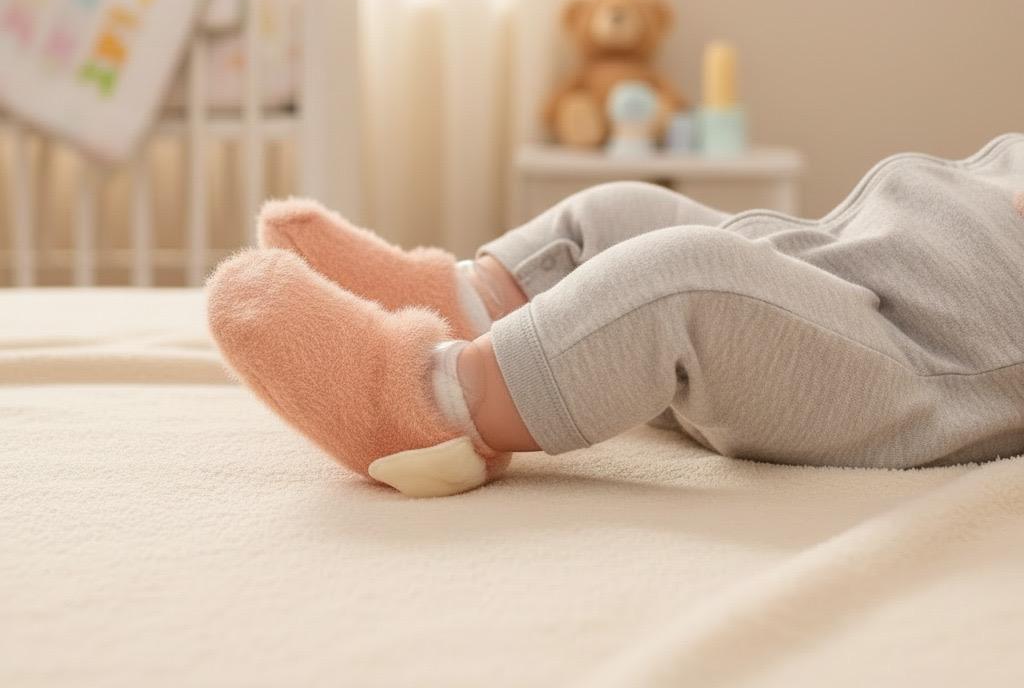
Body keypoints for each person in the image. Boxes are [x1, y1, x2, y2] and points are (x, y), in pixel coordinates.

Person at [207, 133, 1024, 497]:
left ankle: (426, 401)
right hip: (833, 266)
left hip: (896, 370)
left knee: (680, 281)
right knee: (621, 212)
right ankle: (449, 302)